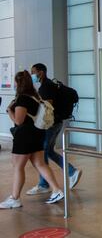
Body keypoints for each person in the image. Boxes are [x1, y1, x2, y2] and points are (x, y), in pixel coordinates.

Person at [0, 71, 64, 209]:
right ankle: (56, 190)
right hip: (37, 134)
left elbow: (18, 121)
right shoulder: (36, 96)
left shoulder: (22, 99)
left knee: (18, 166)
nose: (14, 84)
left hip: (24, 136)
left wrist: (9, 111)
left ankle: (15, 198)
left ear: (19, 83)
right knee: (40, 164)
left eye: (15, 81)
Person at [26, 64, 81, 195]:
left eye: (34, 72)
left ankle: (44, 184)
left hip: (50, 124)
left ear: (41, 72)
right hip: (56, 123)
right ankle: (72, 172)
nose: (32, 75)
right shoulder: (50, 85)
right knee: (49, 151)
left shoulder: (46, 87)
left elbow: (47, 108)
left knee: (42, 153)